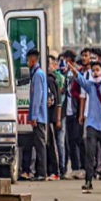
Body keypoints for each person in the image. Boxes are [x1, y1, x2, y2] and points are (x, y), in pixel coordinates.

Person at [68, 59, 101, 191]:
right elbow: (80, 80)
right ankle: (88, 181)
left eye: (97, 70)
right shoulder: (89, 85)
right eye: (93, 70)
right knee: (89, 153)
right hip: (92, 124)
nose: (95, 73)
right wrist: (74, 72)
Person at [21, 48, 48, 182]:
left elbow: (37, 97)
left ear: (32, 60)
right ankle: (40, 171)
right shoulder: (37, 73)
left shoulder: (37, 75)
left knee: (40, 145)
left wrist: (34, 116)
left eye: (27, 60)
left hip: (39, 116)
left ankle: (42, 173)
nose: (27, 63)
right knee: (38, 144)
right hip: (40, 116)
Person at [62, 49, 86, 180]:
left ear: (69, 59)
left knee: (78, 140)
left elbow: (80, 93)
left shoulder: (78, 73)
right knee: (70, 141)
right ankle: (75, 168)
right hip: (69, 112)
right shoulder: (66, 73)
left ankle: (82, 167)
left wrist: (81, 112)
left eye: (65, 59)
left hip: (77, 112)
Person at [46, 55, 61, 181]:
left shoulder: (50, 80)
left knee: (52, 145)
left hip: (49, 118)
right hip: (49, 118)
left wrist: (57, 118)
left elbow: (55, 101)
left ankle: (55, 171)